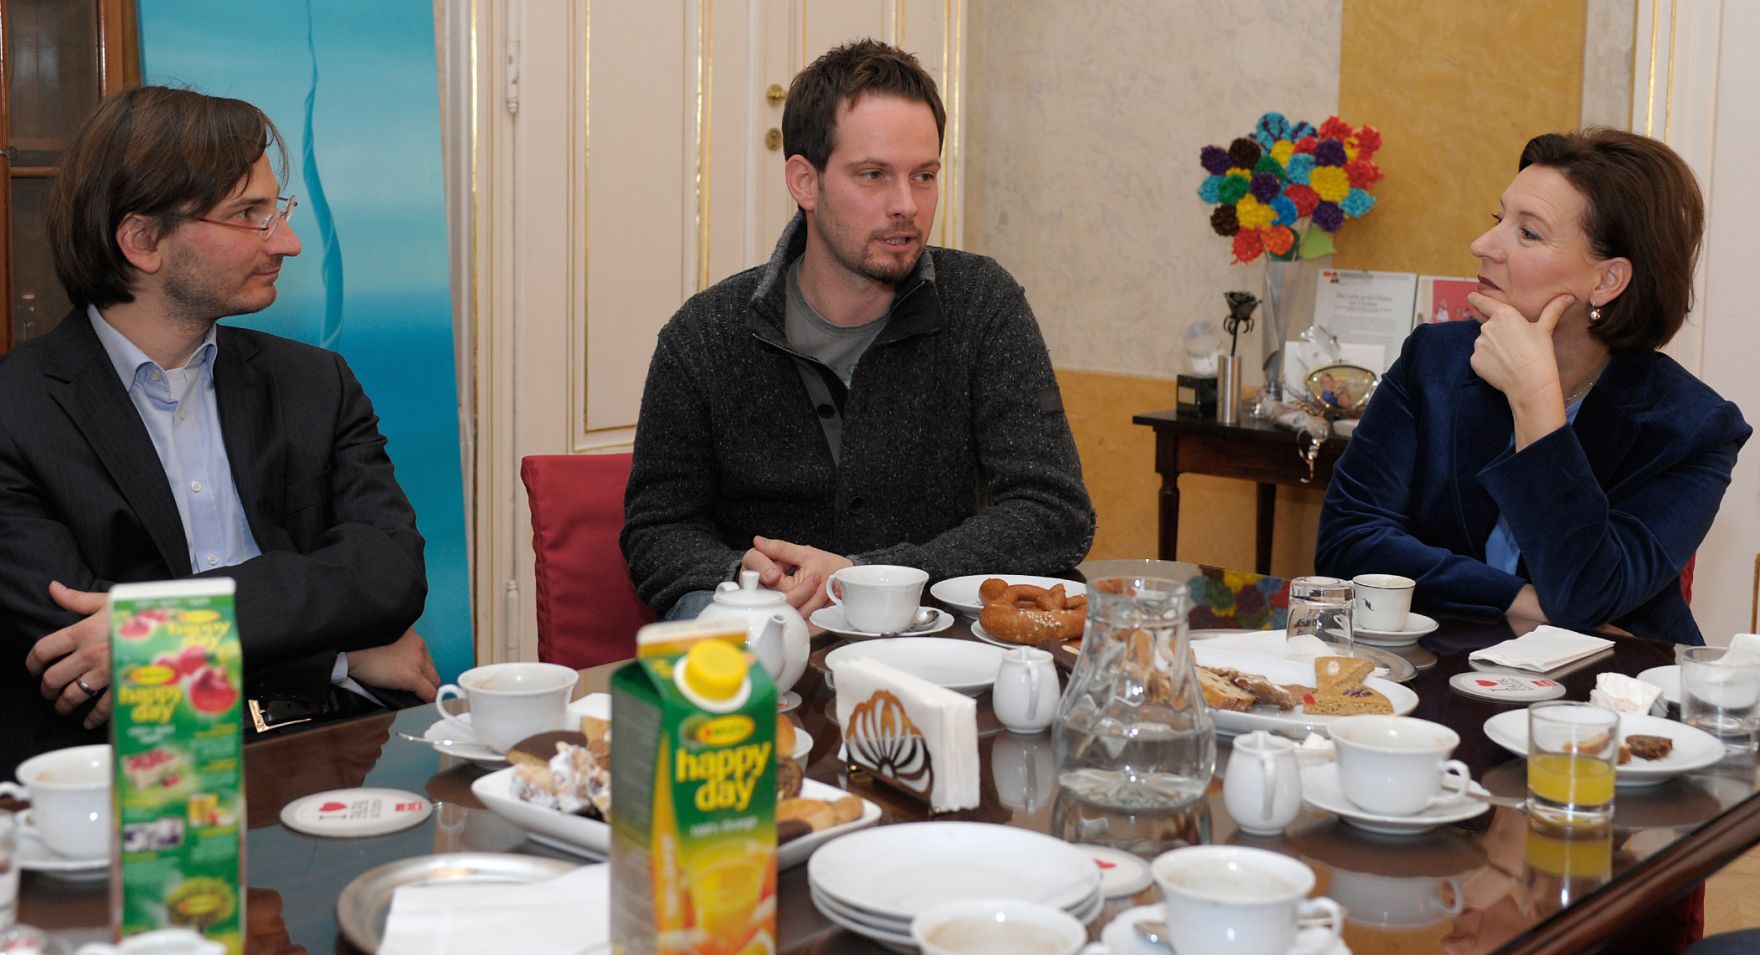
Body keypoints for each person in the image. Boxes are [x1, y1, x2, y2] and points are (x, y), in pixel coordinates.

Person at [0, 87, 437, 777]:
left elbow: (389, 573)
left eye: (278, 209)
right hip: (124, 785)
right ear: (142, 240)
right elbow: (84, 660)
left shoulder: (316, 382)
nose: (287, 241)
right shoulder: (16, 409)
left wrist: (179, 626)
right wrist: (338, 655)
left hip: (328, 756)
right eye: (248, 215)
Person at [621, 39, 1094, 619]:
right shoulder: (704, 335)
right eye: (873, 175)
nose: (907, 205)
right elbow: (657, 531)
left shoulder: (983, 305)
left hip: (939, 648)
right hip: (772, 640)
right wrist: (740, 574)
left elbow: (1054, 511)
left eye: (924, 176)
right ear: (804, 182)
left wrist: (867, 576)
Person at [1316, 129, 1749, 645]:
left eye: (1529, 234)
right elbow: (1349, 540)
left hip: (1606, 698)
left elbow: (1587, 592)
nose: (1482, 245)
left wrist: (1536, 401)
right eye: (1499, 220)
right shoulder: (1433, 361)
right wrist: (1518, 600)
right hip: (1439, 673)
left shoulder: (1692, 429)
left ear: (1608, 280)